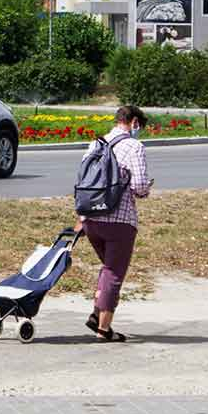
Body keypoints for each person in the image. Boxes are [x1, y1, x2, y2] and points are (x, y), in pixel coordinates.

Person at [75, 105, 152, 342]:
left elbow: (83, 179)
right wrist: (147, 187)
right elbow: (138, 187)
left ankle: (96, 315)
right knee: (114, 272)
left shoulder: (95, 144)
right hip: (119, 221)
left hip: (90, 218)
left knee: (108, 268)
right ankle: (103, 329)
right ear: (134, 122)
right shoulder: (134, 146)